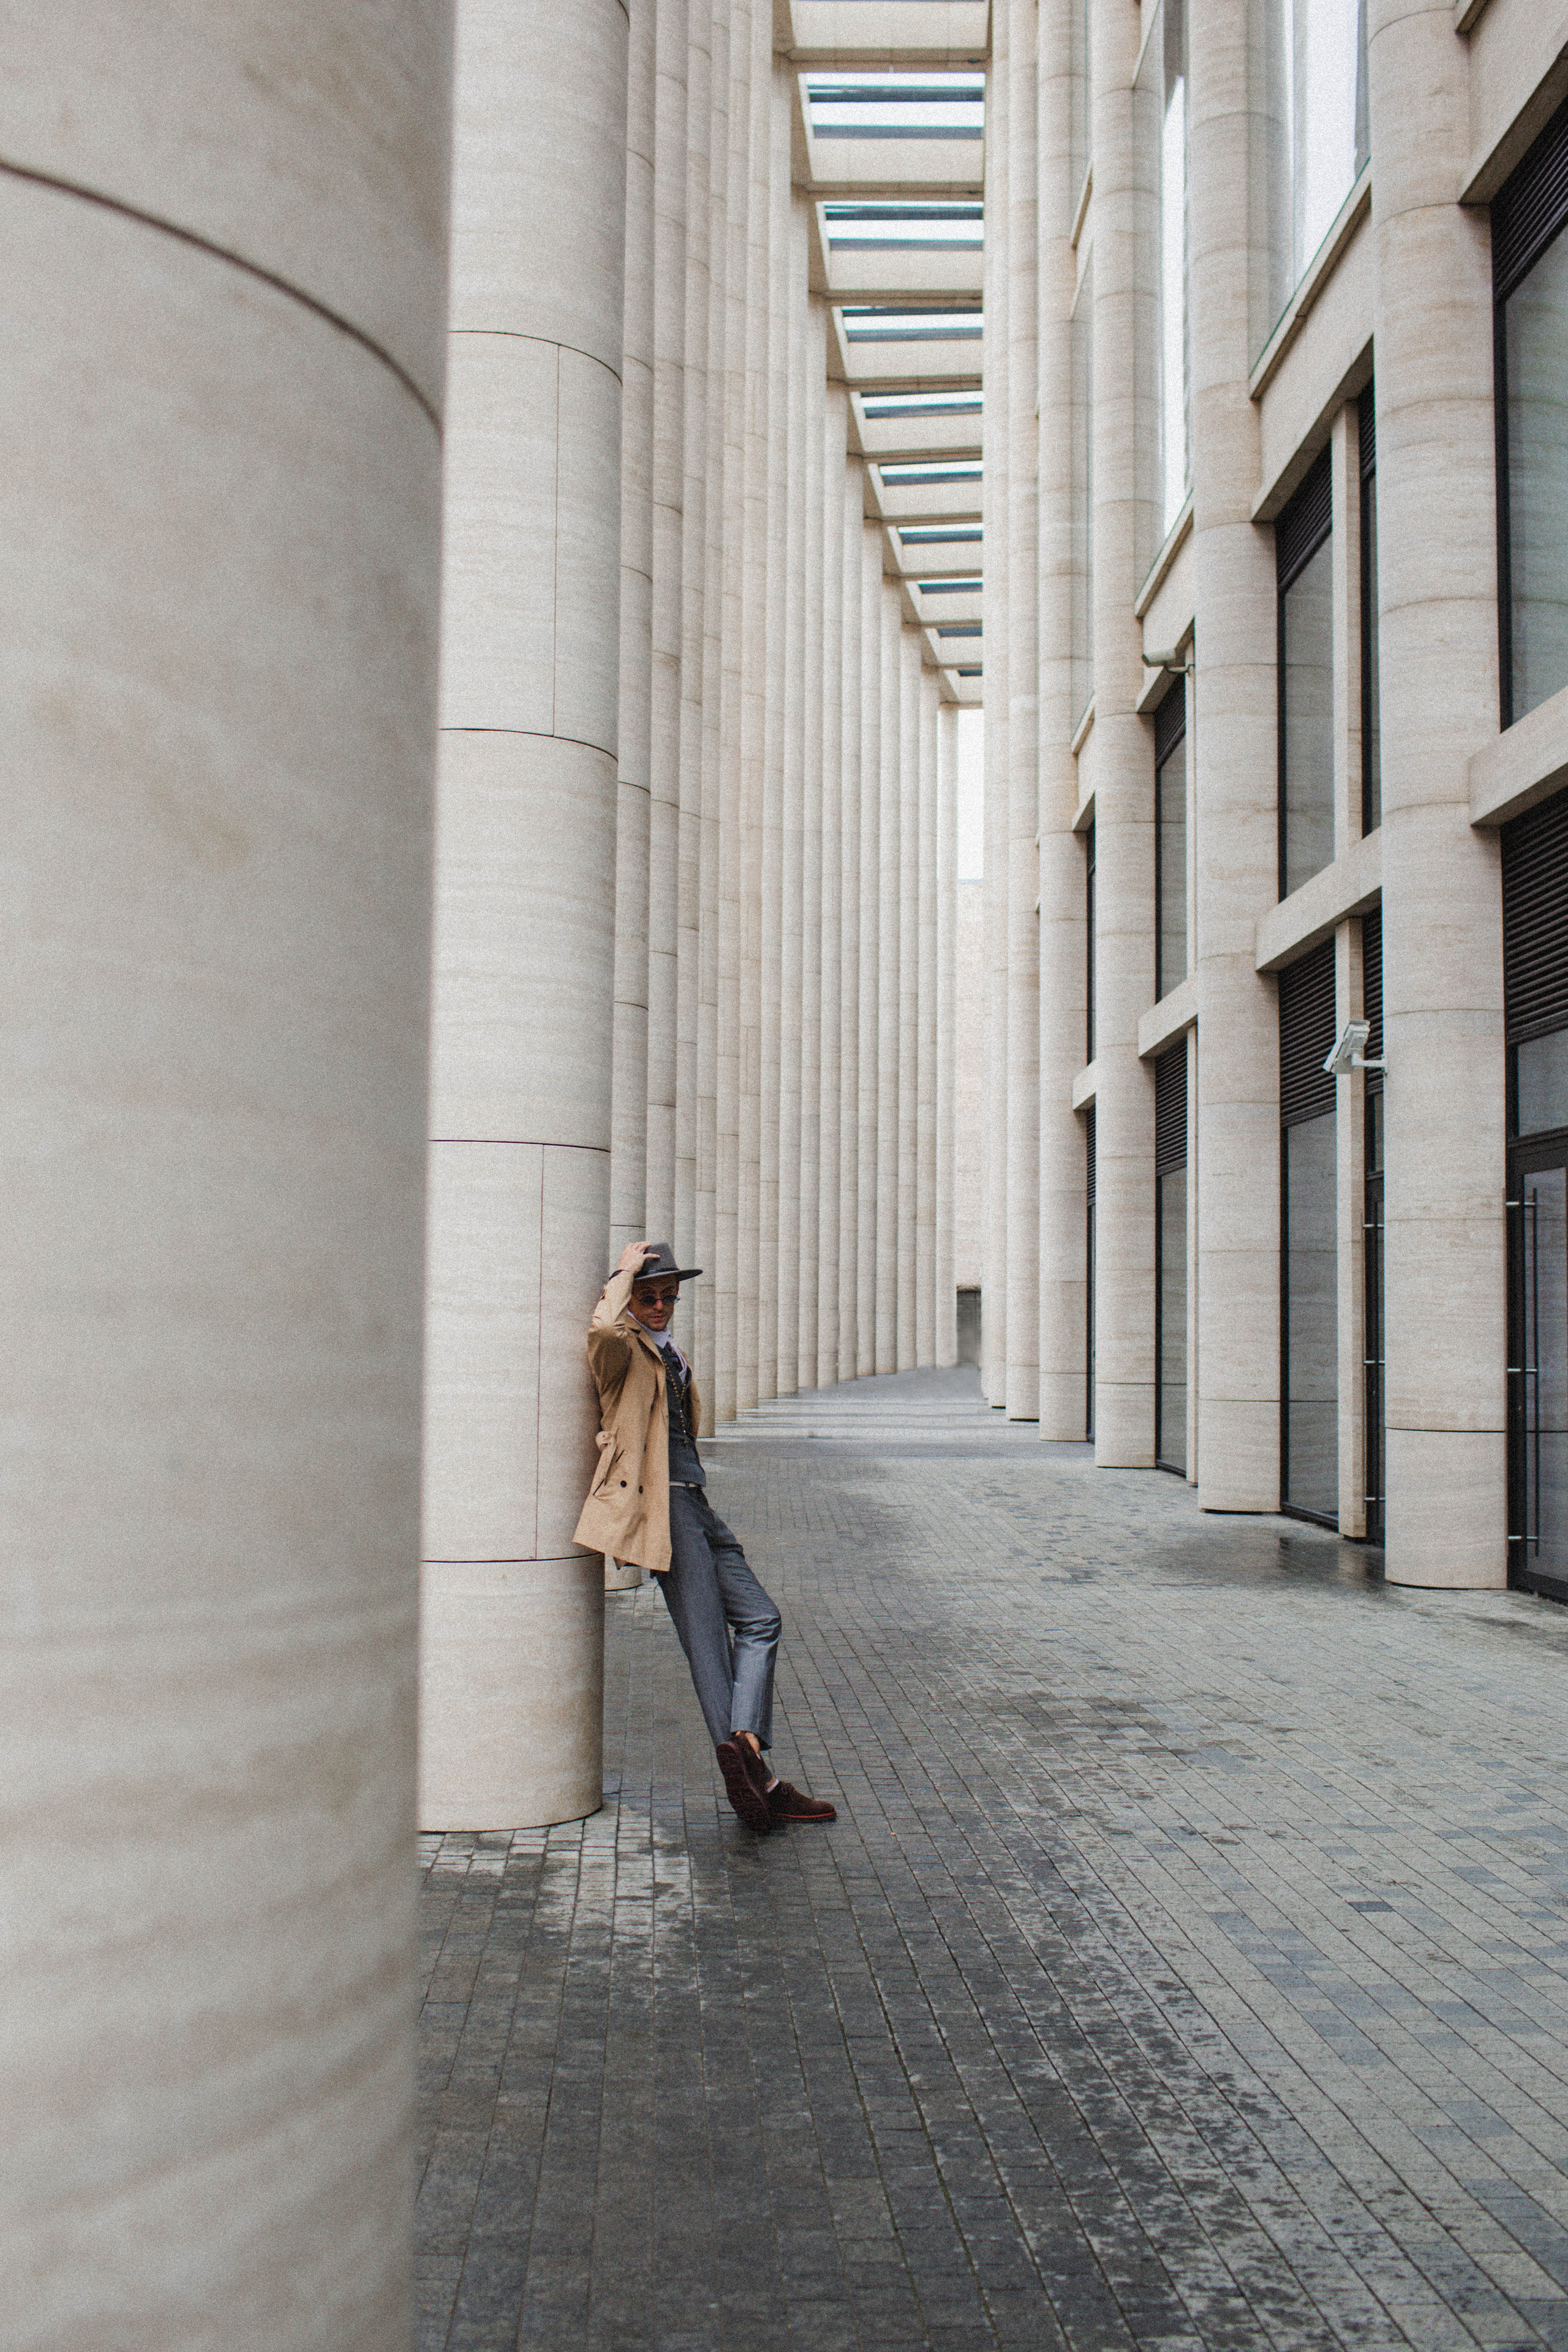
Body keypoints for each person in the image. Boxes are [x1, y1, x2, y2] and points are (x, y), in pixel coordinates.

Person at [575, 1238, 837, 1834]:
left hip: (696, 1502)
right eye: (648, 1296)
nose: (659, 1305)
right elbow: (602, 1331)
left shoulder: (671, 1352)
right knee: (708, 1644)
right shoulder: (623, 1351)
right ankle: (757, 1782)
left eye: (668, 1296)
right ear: (630, 1298)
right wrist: (622, 1274)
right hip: (663, 1506)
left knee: (761, 1618)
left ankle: (745, 1745)